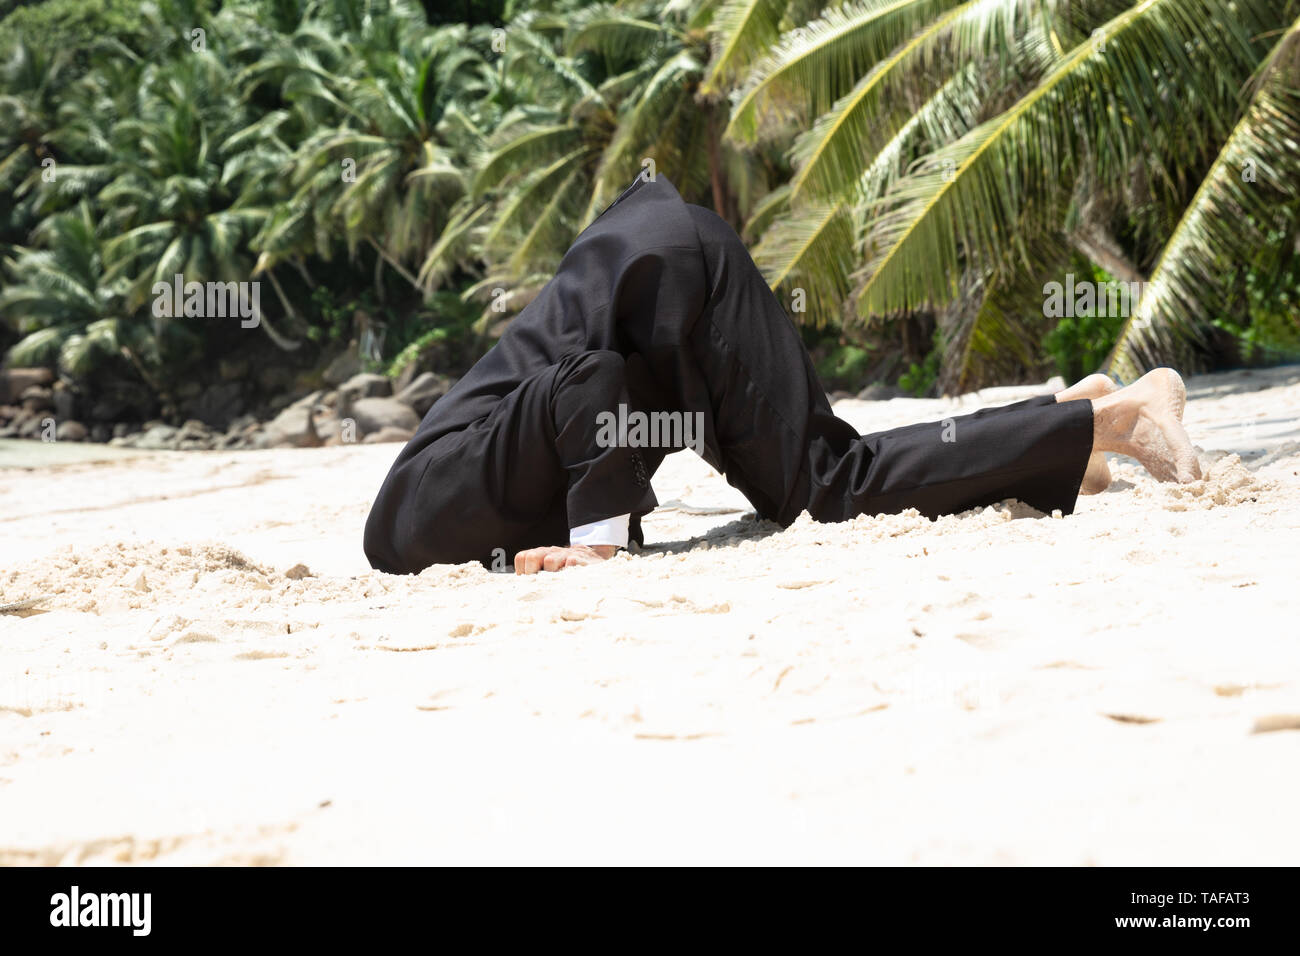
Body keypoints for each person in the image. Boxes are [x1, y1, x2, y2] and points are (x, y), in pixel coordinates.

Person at [363, 175, 1199, 576]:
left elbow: (587, 383)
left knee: (825, 487)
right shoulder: (447, 500)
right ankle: (1066, 422)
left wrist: (598, 549)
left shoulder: (422, 516)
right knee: (815, 485)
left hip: (666, 281)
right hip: (653, 273)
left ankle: (1119, 419)